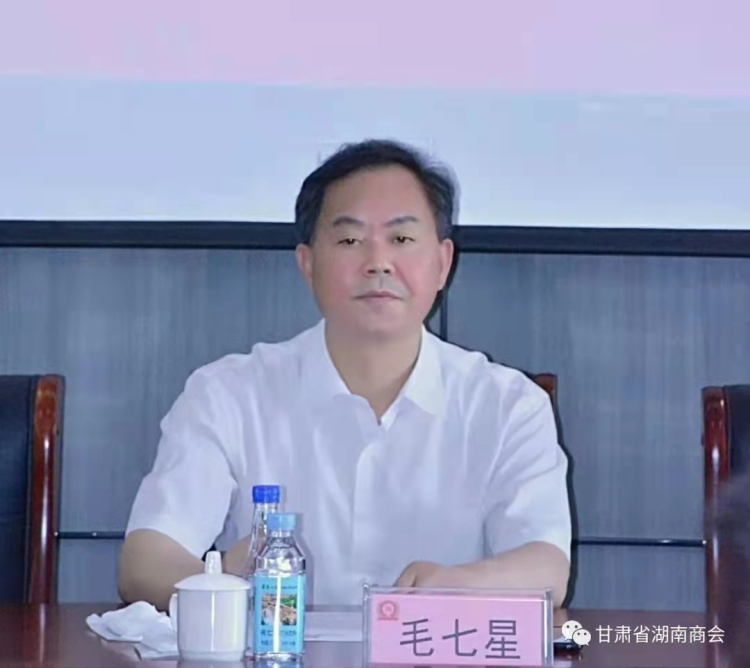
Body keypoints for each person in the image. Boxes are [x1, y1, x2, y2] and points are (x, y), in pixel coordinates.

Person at [118, 139, 572, 611]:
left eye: (401, 239)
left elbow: (546, 566)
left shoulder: (508, 405)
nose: (378, 262)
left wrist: (454, 585)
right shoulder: (229, 395)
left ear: (442, 263)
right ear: (307, 264)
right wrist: (224, 583)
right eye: (350, 240)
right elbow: (146, 562)